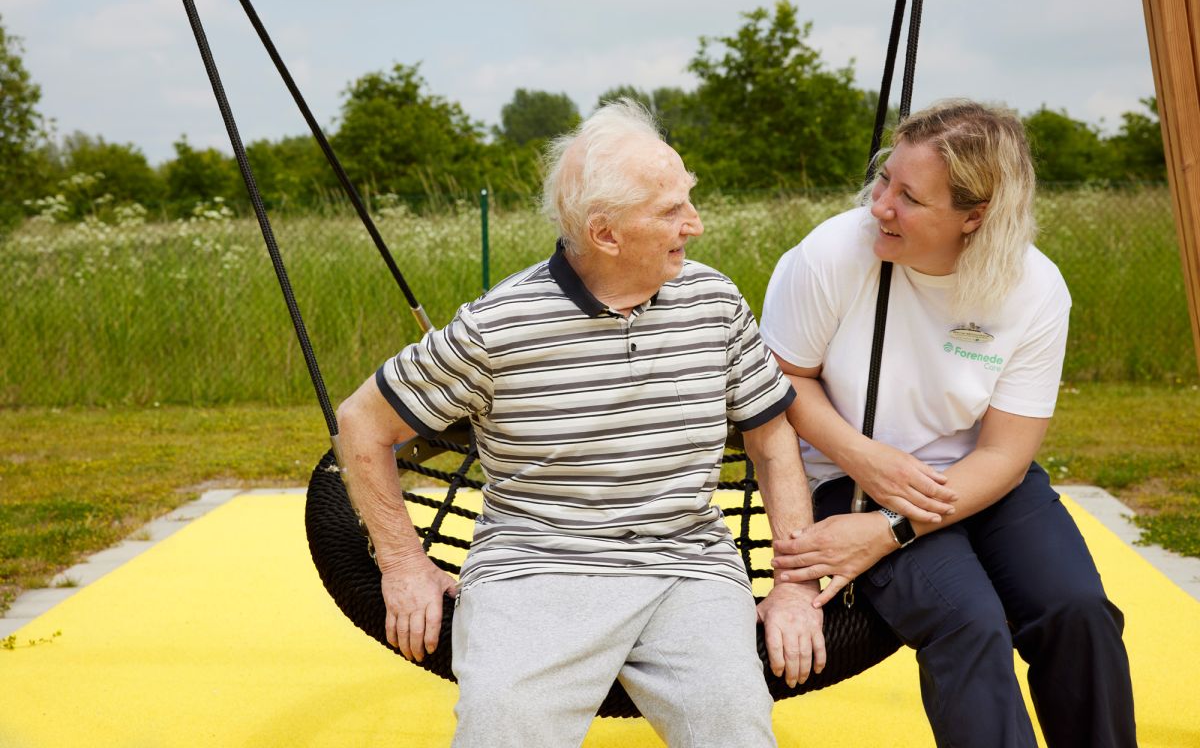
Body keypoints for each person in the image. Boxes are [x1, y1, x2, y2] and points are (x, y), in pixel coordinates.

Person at [336, 99, 824, 748]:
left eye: (690, 199)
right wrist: (403, 564)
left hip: (685, 566)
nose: (696, 224)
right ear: (605, 234)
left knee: (735, 727)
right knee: (500, 731)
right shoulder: (498, 326)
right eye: (671, 210)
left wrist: (795, 584)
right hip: (536, 568)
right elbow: (359, 423)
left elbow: (772, 441)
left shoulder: (714, 299)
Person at [760, 99, 1136, 748]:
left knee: (1078, 613)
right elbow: (780, 378)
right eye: (885, 179)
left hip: (982, 483)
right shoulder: (834, 254)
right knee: (969, 622)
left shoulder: (1034, 289)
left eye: (909, 197)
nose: (879, 204)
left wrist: (891, 531)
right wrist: (862, 458)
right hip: (852, 478)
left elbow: (1006, 455)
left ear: (975, 216)